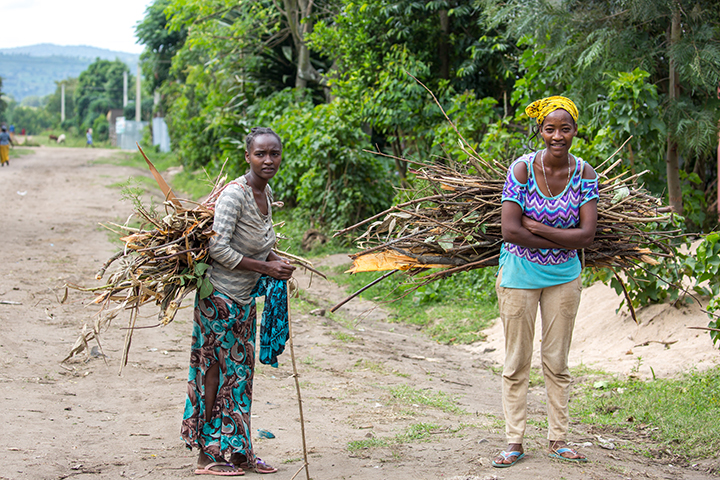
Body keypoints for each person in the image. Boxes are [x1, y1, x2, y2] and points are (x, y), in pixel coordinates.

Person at [181, 127, 296, 476]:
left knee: (241, 376)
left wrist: (276, 262)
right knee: (214, 373)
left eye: (274, 153)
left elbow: (259, 245)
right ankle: (207, 455)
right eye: (260, 154)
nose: (268, 160)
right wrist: (265, 266)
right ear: (247, 156)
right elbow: (218, 248)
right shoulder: (235, 195)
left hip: (244, 300)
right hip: (217, 298)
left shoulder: (266, 192)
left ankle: (240, 450)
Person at [492, 96, 598, 468]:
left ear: (574, 132)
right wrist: (559, 235)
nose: (557, 136)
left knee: (557, 361)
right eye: (550, 129)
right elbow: (510, 231)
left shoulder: (584, 173)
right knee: (517, 360)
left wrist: (537, 227)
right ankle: (514, 441)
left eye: (564, 128)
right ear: (540, 131)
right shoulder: (521, 170)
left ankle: (559, 438)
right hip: (519, 276)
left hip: (564, 279)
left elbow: (587, 236)